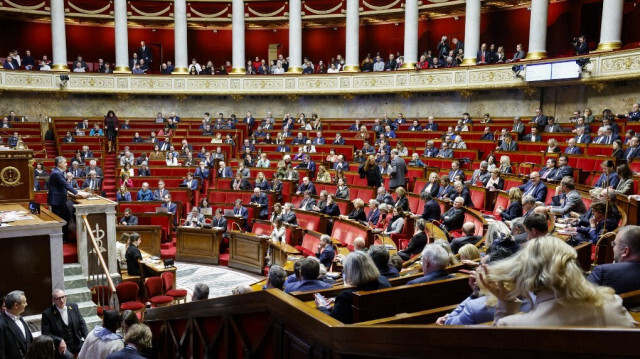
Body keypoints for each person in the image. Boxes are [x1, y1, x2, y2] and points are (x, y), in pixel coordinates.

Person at [479, 236, 637, 327]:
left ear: (526, 275)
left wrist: (505, 304)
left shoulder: (515, 325)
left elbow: (498, 345)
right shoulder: (612, 303)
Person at [316, 251, 391, 323]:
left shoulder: (347, 297)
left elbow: (332, 322)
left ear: (351, 272)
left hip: (357, 334)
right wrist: (337, 301)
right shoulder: (384, 281)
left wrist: (322, 307)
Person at [588, 226, 640, 294]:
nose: (613, 247)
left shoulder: (603, 272)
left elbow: (579, 298)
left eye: (614, 244)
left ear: (625, 251)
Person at [48, 156, 89, 241]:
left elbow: (61, 186)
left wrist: (71, 192)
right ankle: (61, 239)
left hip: (60, 200)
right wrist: (78, 193)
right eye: (64, 162)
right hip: (57, 201)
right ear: (59, 164)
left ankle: (65, 237)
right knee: (61, 220)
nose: (66, 164)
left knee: (66, 217)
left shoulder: (59, 172)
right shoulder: (56, 173)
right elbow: (65, 185)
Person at [40, 288, 89, 359]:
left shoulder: (73, 306)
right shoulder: (47, 314)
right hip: (60, 345)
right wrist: (60, 340)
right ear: (53, 300)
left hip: (76, 342)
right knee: (69, 357)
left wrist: (87, 338)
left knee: (89, 350)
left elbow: (82, 323)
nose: (62, 300)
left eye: (63, 297)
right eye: (58, 299)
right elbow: (45, 333)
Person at [0, 290, 33, 358]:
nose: (26, 304)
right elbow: (1, 352)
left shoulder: (20, 318)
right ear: (16, 305)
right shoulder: (1, 323)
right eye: (24, 302)